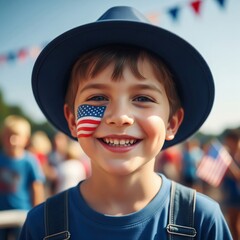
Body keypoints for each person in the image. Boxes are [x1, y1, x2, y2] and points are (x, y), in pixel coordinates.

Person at [19, 6, 232, 239]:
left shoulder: (202, 220)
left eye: (142, 98)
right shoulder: (41, 225)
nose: (119, 117)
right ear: (73, 120)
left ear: (171, 122)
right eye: (97, 97)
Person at [0, 115, 45, 240]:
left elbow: (37, 187)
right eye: (8, 135)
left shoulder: (29, 161)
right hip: (1, 214)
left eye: (16, 136)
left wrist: (37, 214)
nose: (12, 140)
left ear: (26, 139)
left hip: (22, 213)